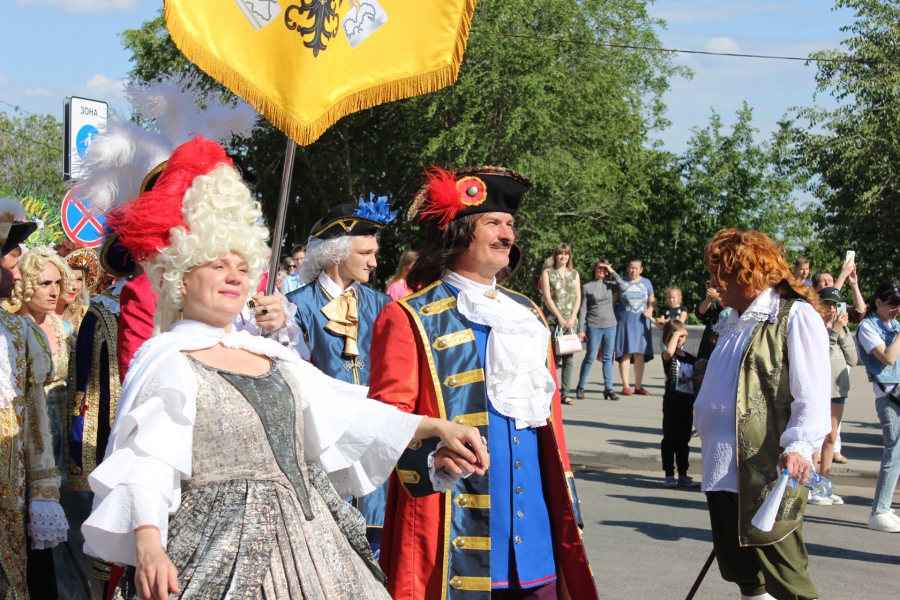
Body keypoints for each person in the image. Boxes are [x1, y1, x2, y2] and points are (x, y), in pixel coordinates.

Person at [80, 137, 487, 600]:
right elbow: (148, 462)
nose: (234, 277)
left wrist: (436, 427)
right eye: (217, 265)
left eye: (242, 266)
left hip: (309, 543)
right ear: (180, 276)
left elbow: (347, 411)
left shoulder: (271, 354)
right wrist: (150, 547)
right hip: (212, 552)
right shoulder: (168, 360)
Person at [367, 165, 597, 600]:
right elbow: (384, 421)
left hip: (537, 535)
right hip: (453, 530)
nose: (507, 235)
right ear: (459, 232)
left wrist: (570, 509)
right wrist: (431, 456)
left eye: (510, 225)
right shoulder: (408, 317)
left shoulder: (528, 315)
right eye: (493, 223)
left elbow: (554, 430)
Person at [694, 229, 830, 600]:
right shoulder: (734, 320)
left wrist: (800, 446)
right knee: (744, 573)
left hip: (767, 469)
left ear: (748, 275)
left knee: (785, 576)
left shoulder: (793, 315)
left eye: (721, 274)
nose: (714, 283)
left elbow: (813, 393)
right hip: (722, 465)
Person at [285, 198, 397, 553]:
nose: (374, 262)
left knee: (377, 547)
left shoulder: (384, 305)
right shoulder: (295, 306)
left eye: (374, 253)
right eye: (365, 253)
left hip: (375, 441)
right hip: (323, 445)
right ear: (336, 254)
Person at [12, 247, 90, 597]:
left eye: (58, 282)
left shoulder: (67, 328)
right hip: (30, 433)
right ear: (27, 284)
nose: (55, 291)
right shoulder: (13, 330)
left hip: (66, 433)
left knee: (75, 512)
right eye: (45, 283)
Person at [0, 199, 67, 599]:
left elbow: (37, 417)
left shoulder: (18, 333)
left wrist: (43, 493)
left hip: (12, 500)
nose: (15, 269)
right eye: (8, 257)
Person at [855, 281, 900, 533]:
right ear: (879, 302)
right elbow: (888, 358)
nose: (897, 310)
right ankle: (879, 511)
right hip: (888, 396)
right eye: (893, 305)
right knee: (893, 452)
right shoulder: (867, 327)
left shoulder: (894, 325)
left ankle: (886, 506)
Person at [808, 287, 857, 507]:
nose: (831, 309)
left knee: (831, 436)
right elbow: (819, 358)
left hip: (838, 389)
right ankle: (810, 485)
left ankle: (824, 487)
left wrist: (842, 333)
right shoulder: (815, 327)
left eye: (834, 305)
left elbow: (853, 359)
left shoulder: (842, 328)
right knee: (817, 438)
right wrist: (833, 332)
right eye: (826, 304)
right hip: (819, 389)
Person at [576, 259, 626, 400]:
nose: (601, 270)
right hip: (594, 326)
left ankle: (608, 389)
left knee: (608, 357)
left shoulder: (610, 285)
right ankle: (581, 386)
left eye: (604, 269)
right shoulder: (587, 287)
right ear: (594, 269)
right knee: (590, 356)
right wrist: (581, 329)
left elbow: (623, 288)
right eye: (599, 268)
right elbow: (583, 309)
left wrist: (612, 271)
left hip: (610, 325)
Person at [660, 319, 700, 488]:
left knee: (683, 441)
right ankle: (669, 474)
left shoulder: (691, 358)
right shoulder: (668, 356)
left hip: (687, 404)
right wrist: (677, 333)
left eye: (682, 336)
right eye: (675, 336)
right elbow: (669, 351)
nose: (679, 339)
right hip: (672, 403)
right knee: (670, 439)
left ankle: (683, 474)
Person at [540, 242, 581, 404]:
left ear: (569, 256)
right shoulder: (548, 273)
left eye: (566, 254)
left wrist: (572, 318)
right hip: (554, 321)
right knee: (553, 358)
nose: (563, 257)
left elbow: (578, 297)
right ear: (555, 255)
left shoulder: (574, 273)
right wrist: (560, 318)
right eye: (560, 253)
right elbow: (547, 297)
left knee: (569, 358)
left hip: (571, 322)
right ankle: (550, 392)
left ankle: (565, 393)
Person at [614, 258, 655, 395]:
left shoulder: (646, 282)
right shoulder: (620, 282)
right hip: (624, 322)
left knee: (639, 354)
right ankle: (626, 386)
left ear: (641, 270)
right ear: (627, 268)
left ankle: (638, 386)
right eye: (631, 267)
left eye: (636, 268)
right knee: (625, 353)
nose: (633, 270)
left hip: (641, 323)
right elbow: (613, 302)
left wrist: (650, 310)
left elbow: (652, 301)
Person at [54, 243, 100, 332]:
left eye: (79, 279)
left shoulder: (86, 315)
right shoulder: (35, 315)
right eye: (69, 278)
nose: (74, 286)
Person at [695, 279, 728, 362]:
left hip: (725, 329)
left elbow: (731, 310)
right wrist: (707, 300)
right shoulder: (709, 290)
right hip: (710, 330)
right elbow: (700, 313)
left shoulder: (729, 289)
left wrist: (718, 298)